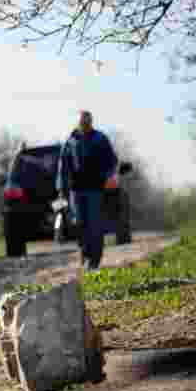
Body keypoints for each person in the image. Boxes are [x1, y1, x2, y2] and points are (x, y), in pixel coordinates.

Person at [56, 110, 119, 271]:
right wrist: (61, 189)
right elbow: (63, 167)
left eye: (87, 122)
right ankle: (84, 254)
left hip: (95, 189)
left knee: (95, 225)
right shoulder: (70, 141)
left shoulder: (100, 139)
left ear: (91, 122)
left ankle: (94, 260)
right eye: (82, 122)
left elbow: (112, 161)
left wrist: (110, 176)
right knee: (79, 224)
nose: (85, 125)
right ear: (78, 123)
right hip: (76, 191)